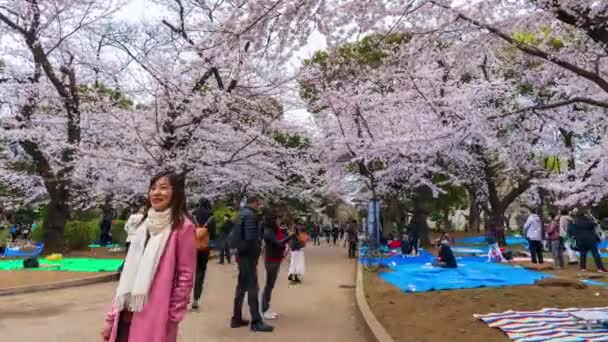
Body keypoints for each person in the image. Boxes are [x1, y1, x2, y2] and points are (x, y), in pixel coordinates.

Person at [101, 171, 196, 342]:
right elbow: (129, 274)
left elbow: (185, 276)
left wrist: (172, 316)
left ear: (176, 193)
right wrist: (112, 317)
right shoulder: (143, 224)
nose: (156, 193)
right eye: (153, 188)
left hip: (155, 314)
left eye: (163, 188)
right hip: (126, 311)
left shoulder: (183, 227)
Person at [232, 195, 273, 332]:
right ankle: (256, 321)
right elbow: (250, 237)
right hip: (248, 256)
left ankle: (236, 318)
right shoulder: (250, 215)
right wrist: (256, 251)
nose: (259, 206)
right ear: (254, 203)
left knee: (241, 286)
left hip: (241, 253)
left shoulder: (241, 213)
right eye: (258, 204)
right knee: (252, 287)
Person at [262, 211, 293, 320]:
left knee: (270, 285)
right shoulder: (268, 232)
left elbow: (280, 240)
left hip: (275, 259)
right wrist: (290, 236)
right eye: (277, 219)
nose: (279, 221)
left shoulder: (274, 230)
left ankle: (266, 308)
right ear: (272, 220)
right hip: (271, 261)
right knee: (269, 285)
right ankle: (264, 309)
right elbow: (279, 243)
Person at [192, 198, 215, 310]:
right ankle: (196, 299)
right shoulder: (210, 216)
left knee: (190, 272)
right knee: (201, 272)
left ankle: (185, 296)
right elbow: (214, 233)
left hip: (192, 247)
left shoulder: (193, 215)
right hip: (204, 247)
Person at [118, 206, 145, 273]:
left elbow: (126, 227)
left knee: (128, 256)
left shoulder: (132, 216)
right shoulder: (144, 218)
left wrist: (130, 233)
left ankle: (122, 268)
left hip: (129, 239)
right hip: (139, 239)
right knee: (137, 256)